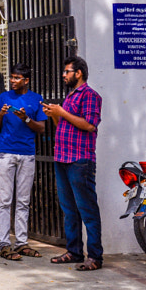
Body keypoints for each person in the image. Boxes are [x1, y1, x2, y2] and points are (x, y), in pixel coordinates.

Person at [42, 55, 103, 271]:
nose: (63, 75)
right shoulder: (69, 97)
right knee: (69, 209)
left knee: (87, 209)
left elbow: (89, 125)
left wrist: (62, 112)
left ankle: (95, 256)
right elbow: (64, 125)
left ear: (78, 73)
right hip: (63, 158)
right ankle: (74, 252)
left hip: (80, 160)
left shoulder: (90, 96)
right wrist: (54, 114)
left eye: (67, 71)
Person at [0, 63, 47, 260]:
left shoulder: (36, 99)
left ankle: (21, 243)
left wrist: (25, 119)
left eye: (17, 78)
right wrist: (1, 114)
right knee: (5, 201)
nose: (13, 81)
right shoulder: (4, 97)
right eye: (12, 77)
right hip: (6, 153)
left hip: (27, 154)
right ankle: (4, 243)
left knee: (23, 201)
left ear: (26, 80)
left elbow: (41, 128)